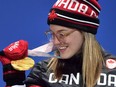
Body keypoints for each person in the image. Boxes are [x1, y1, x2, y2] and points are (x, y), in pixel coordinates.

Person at [0, 0, 116, 87]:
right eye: (52, 33)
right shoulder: (44, 70)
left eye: (62, 34)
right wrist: (14, 80)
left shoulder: (113, 72)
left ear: (85, 32)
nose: (55, 41)